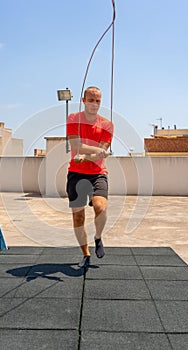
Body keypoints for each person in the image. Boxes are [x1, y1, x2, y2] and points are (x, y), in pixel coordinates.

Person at [66, 86, 114, 268]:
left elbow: (101, 153)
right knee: (78, 218)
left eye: (98, 101)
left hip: (97, 173)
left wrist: (87, 156)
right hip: (76, 174)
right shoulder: (73, 119)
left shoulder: (107, 124)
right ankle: (85, 254)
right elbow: (76, 145)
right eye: (91, 100)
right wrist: (94, 151)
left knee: (100, 207)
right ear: (84, 100)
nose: (94, 104)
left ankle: (98, 237)